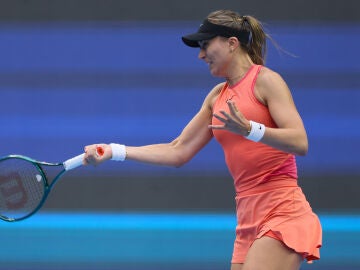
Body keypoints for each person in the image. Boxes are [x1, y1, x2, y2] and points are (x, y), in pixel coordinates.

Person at [83, 9, 322, 270]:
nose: (200, 55)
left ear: (232, 43)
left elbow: (300, 142)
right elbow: (178, 150)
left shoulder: (266, 81)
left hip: (282, 211)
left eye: (206, 45)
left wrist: (250, 130)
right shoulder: (216, 97)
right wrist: (114, 150)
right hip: (247, 217)